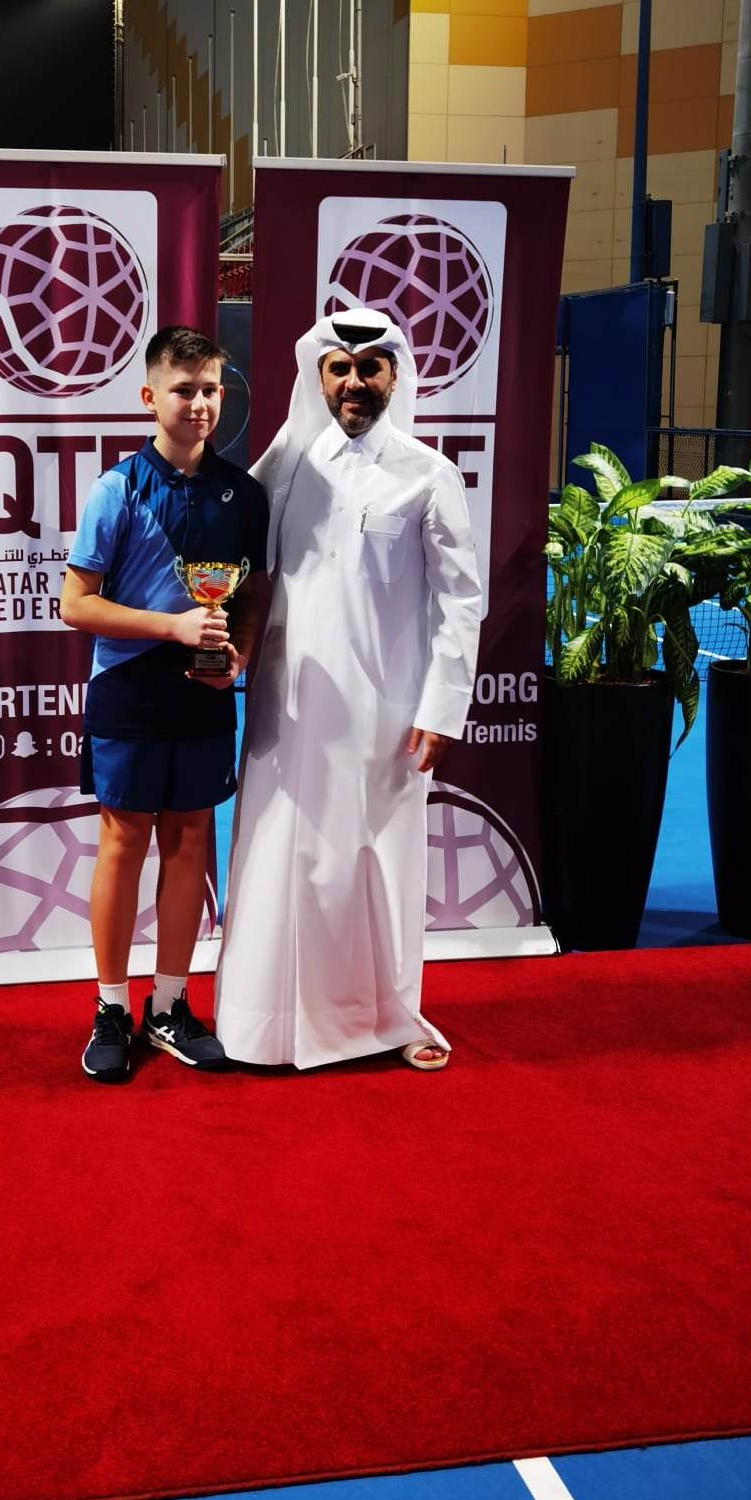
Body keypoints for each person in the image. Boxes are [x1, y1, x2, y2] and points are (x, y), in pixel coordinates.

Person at [213, 308, 482, 1071]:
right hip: (287, 707)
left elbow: (461, 601)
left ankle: (387, 1021)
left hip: (385, 714)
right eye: (340, 369)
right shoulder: (285, 465)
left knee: (378, 865)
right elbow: (240, 570)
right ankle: (261, 1026)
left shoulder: (429, 473)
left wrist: (443, 708)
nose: (354, 382)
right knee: (277, 859)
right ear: (319, 376)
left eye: (370, 368)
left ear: (395, 375)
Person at [61, 325, 269, 1083]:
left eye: (211, 389)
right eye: (185, 390)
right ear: (151, 397)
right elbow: (76, 604)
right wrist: (173, 626)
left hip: (205, 696)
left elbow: (254, 594)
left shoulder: (245, 495)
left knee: (189, 841)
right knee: (124, 840)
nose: (200, 403)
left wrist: (237, 653)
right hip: (128, 691)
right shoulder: (116, 490)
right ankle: (112, 1008)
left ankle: (171, 1005)